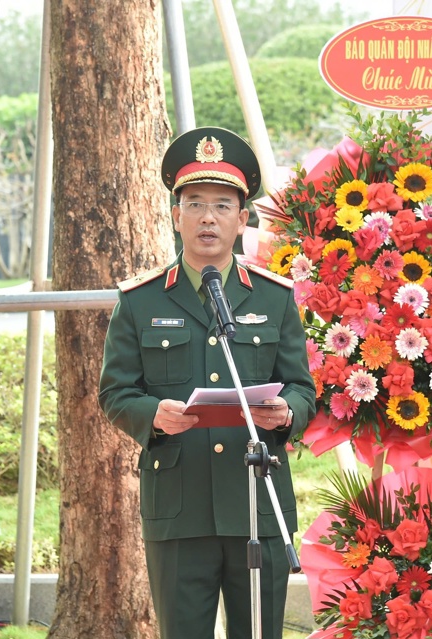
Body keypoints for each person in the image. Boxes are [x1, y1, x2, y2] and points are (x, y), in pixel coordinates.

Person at [98, 126, 316, 639]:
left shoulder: (273, 298)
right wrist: (152, 414)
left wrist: (287, 413)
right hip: (180, 506)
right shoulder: (141, 301)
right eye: (194, 204)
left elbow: (302, 389)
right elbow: (115, 393)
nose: (207, 217)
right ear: (177, 217)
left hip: (256, 504)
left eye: (222, 205)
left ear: (242, 219)